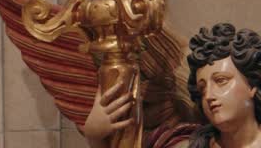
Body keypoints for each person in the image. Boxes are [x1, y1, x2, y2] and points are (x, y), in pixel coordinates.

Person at [84, 23, 261, 148]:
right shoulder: (186, 144)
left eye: (221, 81)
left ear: (252, 85)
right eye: (202, 89)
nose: (209, 95)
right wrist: (95, 136)